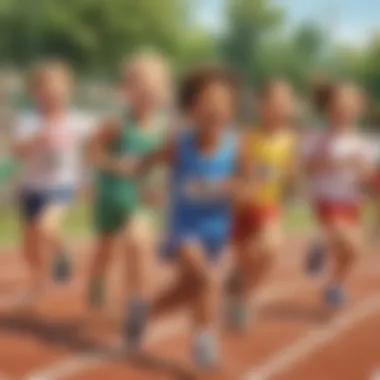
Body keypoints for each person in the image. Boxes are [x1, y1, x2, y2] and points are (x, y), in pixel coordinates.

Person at [124, 66, 241, 369]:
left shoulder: (235, 149)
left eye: (223, 102)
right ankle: (204, 341)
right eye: (208, 101)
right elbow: (146, 162)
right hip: (183, 231)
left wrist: (238, 188)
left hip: (216, 232)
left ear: (231, 109)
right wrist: (144, 189)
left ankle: (145, 312)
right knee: (207, 279)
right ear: (192, 108)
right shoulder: (180, 144)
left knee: (189, 288)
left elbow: (249, 184)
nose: (215, 108)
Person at [87, 51, 171, 309]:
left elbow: (166, 166)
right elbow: (92, 153)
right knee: (105, 251)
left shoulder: (164, 130)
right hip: (111, 198)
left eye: (153, 89)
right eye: (141, 88)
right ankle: (97, 280)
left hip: (140, 201)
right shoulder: (116, 123)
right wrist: (115, 164)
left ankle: (135, 300)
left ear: (163, 92)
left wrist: (163, 189)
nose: (147, 95)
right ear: (128, 90)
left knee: (137, 242)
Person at [12, 60, 95, 295]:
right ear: (35, 93)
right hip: (33, 188)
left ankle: (62, 252)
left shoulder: (80, 122)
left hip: (62, 186)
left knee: (46, 228)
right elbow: (17, 150)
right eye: (45, 90)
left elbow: (93, 150)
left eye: (58, 89)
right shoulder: (28, 120)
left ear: (68, 90)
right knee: (29, 249)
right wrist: (36, 138)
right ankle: (38, 281)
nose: (52, 94)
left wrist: (89, 181)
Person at [227, 80, 297, 330]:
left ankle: (245, 299)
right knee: (247, 260)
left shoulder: (289, 140)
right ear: (262, 106)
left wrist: (290, 182)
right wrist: (243, 184)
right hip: (243, 208)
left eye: (285, 104)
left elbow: (290, 177)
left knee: (270, 249)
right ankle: (238, 286)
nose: (280, 109)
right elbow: (235, 170)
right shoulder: (247, 136)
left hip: (268, 207)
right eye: (275, 103)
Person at [301, 81, 374, 307]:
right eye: (340, 105)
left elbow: (369, 177)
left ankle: (334, 285)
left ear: (358, 109)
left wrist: (367, 176)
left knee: (353, 251)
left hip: (352, 202)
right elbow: (308, 166)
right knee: (348, 242)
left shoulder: (363, 143)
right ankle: (321, 245)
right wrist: (338, 162)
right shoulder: (319, 138)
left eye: (350, 105)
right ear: (329, 109)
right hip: (327, 200)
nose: (345, 110)